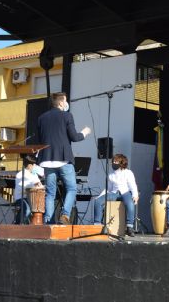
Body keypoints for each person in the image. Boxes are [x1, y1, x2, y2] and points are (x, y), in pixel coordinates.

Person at [37, 92, 91, 225]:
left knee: (50, 193)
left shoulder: (41, 118)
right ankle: (65, 215)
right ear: (61, 103)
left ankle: (49, 221)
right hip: (63, 159)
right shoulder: (67, 116)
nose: (67, 104)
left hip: (47, 160)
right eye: (65, 101)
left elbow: (40, 140)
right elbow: (74, 137)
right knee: (71, 188)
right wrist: (85, 132)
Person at [93, 154, 139, 237]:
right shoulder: (111, 175)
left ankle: (129, 227)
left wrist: (135, 195)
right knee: (98, 201)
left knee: (130, 204)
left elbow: (133, 185)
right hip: (114, 193)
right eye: (113, 161)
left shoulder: (128, 172)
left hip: (125, 192)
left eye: (116, 161)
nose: (114, 163)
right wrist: (100, 196)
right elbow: (108, 189)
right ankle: (97, 225)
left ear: (122, 162)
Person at [13, 155, 44, 224]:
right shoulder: (20, 174)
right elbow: (22, 187)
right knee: (27, 210)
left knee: (40, 207)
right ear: (30, 165)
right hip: (20, 198)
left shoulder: (34, 174)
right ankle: (16, 225)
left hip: (30, 198)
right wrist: (34, 185)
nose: (35, 166)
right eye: (34, 165)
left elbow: (39, 184)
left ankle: (34, 225)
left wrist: (41, 186)